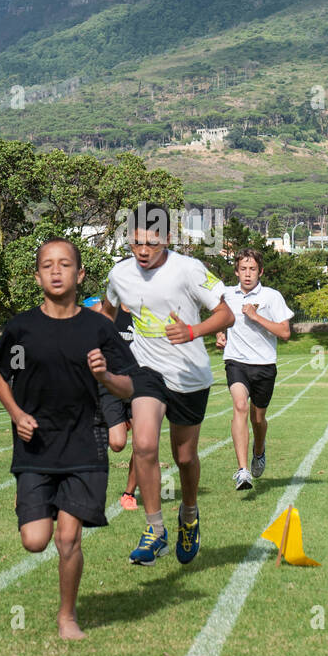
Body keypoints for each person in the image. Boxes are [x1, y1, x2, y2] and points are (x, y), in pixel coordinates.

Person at [0, 237, 136, 639]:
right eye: (48, 265)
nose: (57, 271)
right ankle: (43, 504)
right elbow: (2, 378)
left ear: (80, 274)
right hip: (35, 445)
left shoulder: (97, 328)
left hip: (84, 443)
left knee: (68, 537)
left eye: (65, 264)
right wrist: (17, 414)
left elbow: (128, 387)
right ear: (37, 276)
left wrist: (105, 375)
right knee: (36, 541)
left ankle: (67, 617)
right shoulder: (22, 329)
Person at [101, 203, 234, 567]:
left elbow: (226, 314)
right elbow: (106, 313)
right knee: (143, 445)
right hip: (146, 372)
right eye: (136, 242)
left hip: (189, 376)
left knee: (185, 457)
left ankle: (189, 516)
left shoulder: (189, 270)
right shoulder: (119, 275)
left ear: (168, 238)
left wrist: (192, 330)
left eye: (152, 243)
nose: (143, 251)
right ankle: (154, 528)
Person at [215, 248, 293, 490]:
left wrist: (256, 316)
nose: (247, 274)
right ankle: (242, 471)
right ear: (236, 271)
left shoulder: (272, 296)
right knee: (240, 406)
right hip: (236, 362)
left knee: (258, 419)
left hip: (264, 365)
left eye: (252, 269)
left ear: (261, 271)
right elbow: (220, 317)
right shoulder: (227, 295)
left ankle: (259, 451)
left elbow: (285, 333)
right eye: (243, 269)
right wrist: (219, 333)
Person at [88, 296, 139, 510]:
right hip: (111, 384)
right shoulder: (108, 313)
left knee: (144, 442)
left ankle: (129, 494)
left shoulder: (145, 314)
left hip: (139, 384)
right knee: (117, 444)